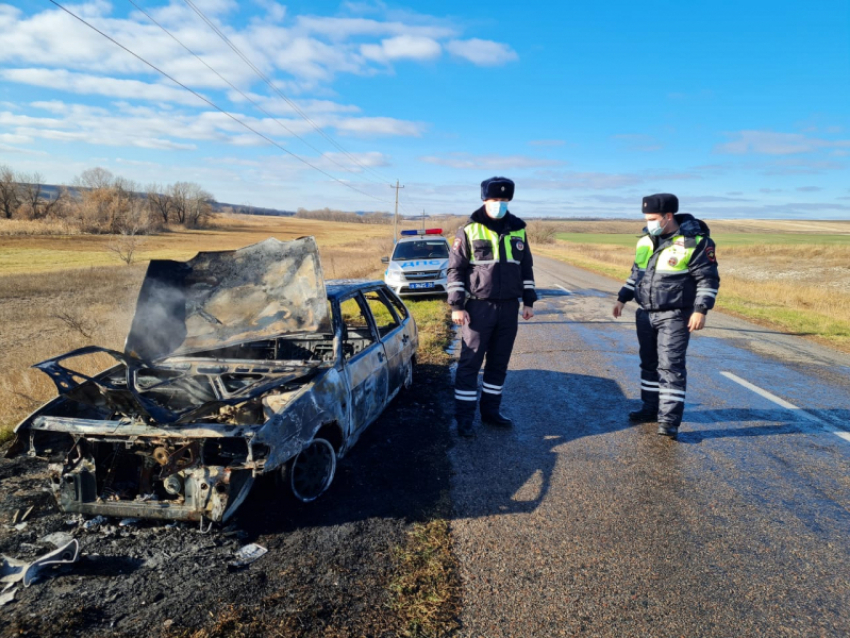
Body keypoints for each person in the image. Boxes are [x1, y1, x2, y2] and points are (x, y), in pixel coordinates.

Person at [612, 193, 720, 440]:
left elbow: (708, 278)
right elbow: (636, 274)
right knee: (648, 365)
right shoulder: (646, 241)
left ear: (668, 216)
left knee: (670, 367)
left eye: (652, 218)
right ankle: (650, 409)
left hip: (675, 315)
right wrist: (621, 298)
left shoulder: (695, 242)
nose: (648, 222)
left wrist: (701, 310)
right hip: (645, 314)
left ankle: (669, 421)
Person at [447, 176, 536, 438]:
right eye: (495, 200)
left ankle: (491, 412)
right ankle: (464, 419)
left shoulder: (519, 230)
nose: (499, 204)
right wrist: (456, 306)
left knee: (498, 364)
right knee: (470, 363)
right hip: (478, 308)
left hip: (509, 309)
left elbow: (526, 268)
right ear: (485, 199)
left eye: (504, 200)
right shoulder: (469, 230)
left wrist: (528, 301)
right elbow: (455, 270)